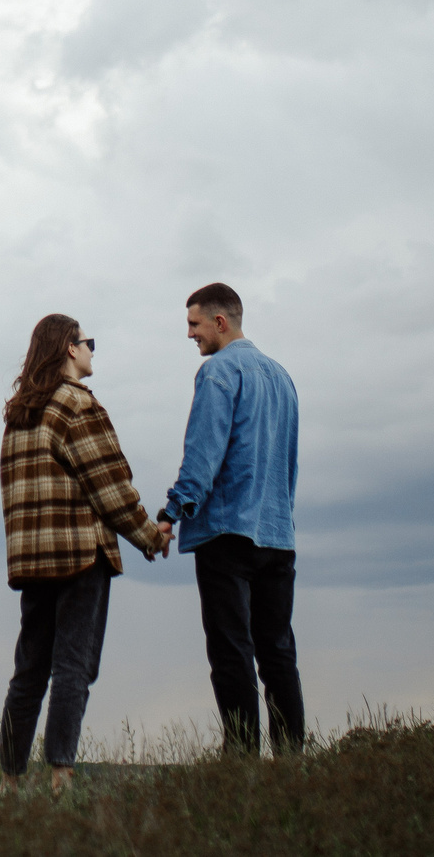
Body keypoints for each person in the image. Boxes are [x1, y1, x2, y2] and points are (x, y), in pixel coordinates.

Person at [0, 313, 167, 792]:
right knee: (73, 665)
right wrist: (151, 537)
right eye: (88, 341)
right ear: (70, 348)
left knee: (29, 671)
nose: (92, 349)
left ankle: (9, 782)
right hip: (77, 556)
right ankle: (61, 775)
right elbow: (110, 487)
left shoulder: (18, 415)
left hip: (32, 562)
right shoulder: (78, 405)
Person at [153, 282, 304, 755]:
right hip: (278, 535)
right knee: (278, 652)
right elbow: (288, 462)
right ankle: (292, 760)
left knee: (231, 650)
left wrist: (171, 513)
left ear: (221, 322)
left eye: (194, 324)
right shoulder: (282, 377)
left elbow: (204, 454)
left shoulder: (218, 373)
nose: (190, 335)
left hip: (226, 533)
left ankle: (241, 759)